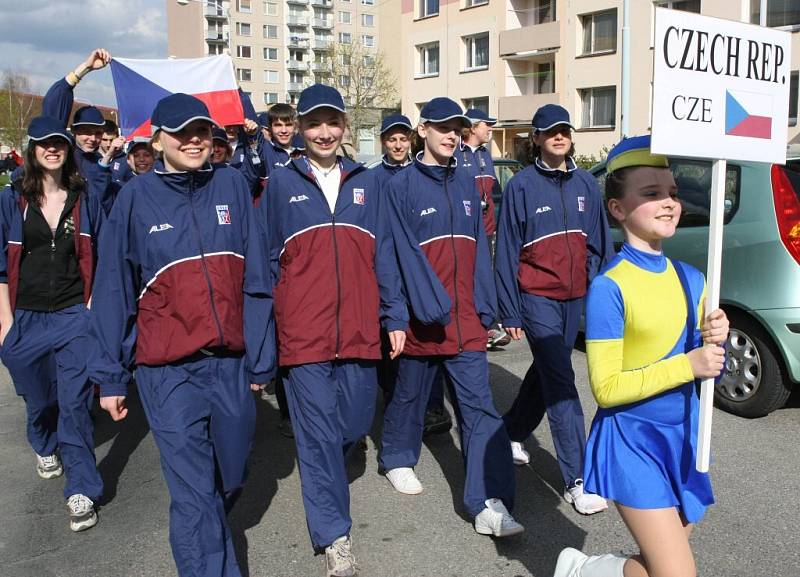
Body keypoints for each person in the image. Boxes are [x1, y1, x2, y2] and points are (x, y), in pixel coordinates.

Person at [89, 93, 274, 577]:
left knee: (229, 477)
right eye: (182, 133)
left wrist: (260, 353)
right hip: (166, 370)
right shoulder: (133, 198)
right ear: (158, 140)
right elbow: (113, 291)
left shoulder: (232, 185)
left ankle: (209, 527)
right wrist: (110, 376)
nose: (194, 141)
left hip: (230, 365)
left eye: (202, 132)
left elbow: (256, 275)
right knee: (193, 497)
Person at [553, 135, 729, 577]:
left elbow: (700, 358)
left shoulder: (694, 278)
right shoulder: (609, 288)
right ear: (617, 209)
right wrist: (688, 363)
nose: (669, 202)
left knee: (655, 568)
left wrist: (715, 336)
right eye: (651, 194)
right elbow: (607, 389)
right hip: (633, 441)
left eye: (672, 192)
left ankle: (587, 571)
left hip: (684, 439)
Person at [260, 84, 407, 577]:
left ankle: (329, 472)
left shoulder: (369, 182)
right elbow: (265, 261)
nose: (324, 132)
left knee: (354, 423)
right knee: (319, 437)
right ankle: (333, 535)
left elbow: (385, 252)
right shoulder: (279, 183)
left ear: (344, 127)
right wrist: (267, 333)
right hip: (303, 334)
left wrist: (396, 314)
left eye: (332, 123)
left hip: (361, 329)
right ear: (300, 130)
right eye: (314, 124)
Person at [381, 97, 523, 538]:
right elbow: (389, 258)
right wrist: (397, 317)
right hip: (423, 321)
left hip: (466, 322)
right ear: (422, 130)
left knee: (480, 409)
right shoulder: (398, 186)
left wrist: (488, 306)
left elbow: (482, 251)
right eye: (441, 126)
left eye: (457, 127)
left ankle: (488, 503)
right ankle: (397, 459)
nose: (451, 134)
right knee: (409, 397)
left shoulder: (468, 183)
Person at [495, 104, 613, 515]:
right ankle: (577, 479)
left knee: (548, 370)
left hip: (574, 296)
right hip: (536, 296)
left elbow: (599, 243)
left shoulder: (584, 183)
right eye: (551, 132)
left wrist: (599, 292)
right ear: (538, 140)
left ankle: (509, 431)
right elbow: (507, 250)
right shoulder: (521, 186)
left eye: (564, 130)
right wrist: (509, 310)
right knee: (562, 382)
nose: (559, 137)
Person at [0, 116, 104, 532]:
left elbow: (98, 253)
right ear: (32, 149)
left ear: (67, 149)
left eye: (58, 142)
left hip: (73, 314)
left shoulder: (83, 196)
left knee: (75, 404)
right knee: (39, 398)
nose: (52, 148)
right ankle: (44, 442)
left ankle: (82, 489)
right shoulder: (13, 199)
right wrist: (5, 327)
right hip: (23, 318)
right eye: (43, 143)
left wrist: (92, 307)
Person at [41, 48, 121, 214]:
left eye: (98, 133)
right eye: (86, 131)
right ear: (74, 131)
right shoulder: (64, 154)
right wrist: (86, 68)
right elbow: (55, 100)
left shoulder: (100, 162)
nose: (92, 138)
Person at [460, 108, 511, 349]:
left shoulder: (485, 155)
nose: (490, 129)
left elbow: (493, 192)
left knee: (485, 275)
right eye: (486, 124)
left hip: (487, 228)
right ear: (471, 127)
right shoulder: (457, 154)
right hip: (465, 230)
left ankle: (489, 323)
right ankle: (474, 324)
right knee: (467, 276)